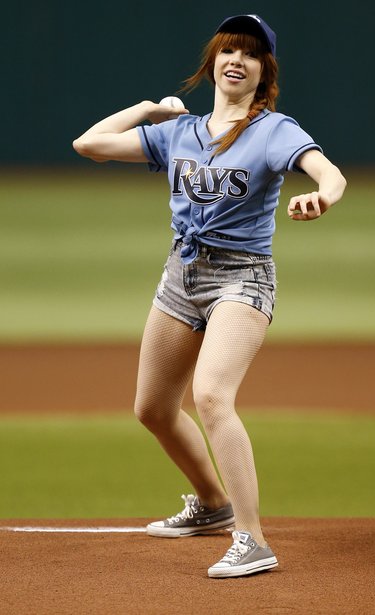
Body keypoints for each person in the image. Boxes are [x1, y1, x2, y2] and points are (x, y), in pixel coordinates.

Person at [73, 14, 346, 578]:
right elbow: (89, 144)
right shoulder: (179, 132)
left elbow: (331, 174)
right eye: (228, 50)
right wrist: (151, 109)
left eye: (249, 53)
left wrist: (321, 197)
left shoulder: (275, 129)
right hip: (181, 277)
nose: (236, 60)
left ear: (263, 71)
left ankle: (252, 538)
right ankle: (212, 506)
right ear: (213, 62)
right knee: (152, 409)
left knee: (213, 396)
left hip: (242, 278)